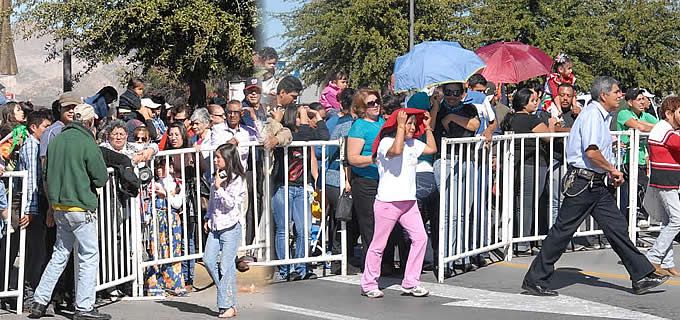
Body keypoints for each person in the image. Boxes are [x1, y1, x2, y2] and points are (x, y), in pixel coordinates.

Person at [521, 76, 669, 297]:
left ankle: (641, 275)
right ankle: (535, 279)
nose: (620, 96)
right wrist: (613, 169)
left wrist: (608, 171)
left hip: (595, 184)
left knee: (617, 228)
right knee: (562, 232)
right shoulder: (592, 116)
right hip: (584, 183)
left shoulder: (601, 116)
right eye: (617, 92)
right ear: (603, 95)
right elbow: (591, 152)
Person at [29, 103, 111, 319]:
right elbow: (101, 176)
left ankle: (39, 301)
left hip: (59, 206)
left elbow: (46, 173)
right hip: (80, 205)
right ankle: (84, 307)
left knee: (60, 254)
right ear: (90, 121)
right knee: (88, 255)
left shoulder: (55, 140)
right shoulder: (86, 141)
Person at [360, 108, 437, 298]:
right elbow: (396, 151)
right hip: (388, 201)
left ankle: (411, 282)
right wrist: (401, 126)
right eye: (409, 123)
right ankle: (369, 284)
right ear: (398, 124)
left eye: (413, 124)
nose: (412, 127)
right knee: (379, 244)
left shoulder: (413, 143)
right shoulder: (386, 143)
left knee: (420, 239)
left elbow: (432, 149)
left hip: (408, 202)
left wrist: (427, 129)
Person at [272, 104, 328, 281]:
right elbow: (301, 135)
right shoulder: (286, 133)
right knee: (283, 229)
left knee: (303, 228)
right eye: (298, 116)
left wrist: (317, 116)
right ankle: (285, 269)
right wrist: (304, 115)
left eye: (302, 116)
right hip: (283, 186)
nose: (302, 119)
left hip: (302, 186)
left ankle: (302, 266)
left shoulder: (306, 133)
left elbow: (324, 137)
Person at [501, 88, 556, 253]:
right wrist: (552, 124)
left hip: (515, 163)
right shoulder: (531, 120)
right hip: (531, 163)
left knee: (518, 203)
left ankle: (518, 239)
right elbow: (549, 137)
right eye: (532, 100)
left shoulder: (509, 119)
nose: (536, 103)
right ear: (524, 103)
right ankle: (523, 242)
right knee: (527, 204)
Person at [203, 143, 247, 318]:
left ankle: (227, 305)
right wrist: (208, 217)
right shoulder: (217, 178)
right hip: (216, 225)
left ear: (227, 159)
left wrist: (220, 187)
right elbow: (213, 202)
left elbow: (230, 204)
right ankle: (225, 292)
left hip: (230, 226)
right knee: (208, 259)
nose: (215, 160)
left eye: (218, 157)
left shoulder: (238, 179)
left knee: (226, 265)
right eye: (215, 157)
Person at [346, 89, 386, 271]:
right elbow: (352, 158)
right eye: (371, 103)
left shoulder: (382, 122)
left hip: (384, 181)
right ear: (362, 107)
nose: (376, 105)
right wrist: (373, 159)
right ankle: (370, 268)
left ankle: (383, 264)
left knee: (384, 225)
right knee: (369, 226)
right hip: (365, 182)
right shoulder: (359, 126)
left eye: (377, 101)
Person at [16, 110, 52, 308]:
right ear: (33, 127)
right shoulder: (31, 146)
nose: (47, 131)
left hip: (38, 203)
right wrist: (31, 209)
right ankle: (29, 294)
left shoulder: (38, 144)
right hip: (34, 204)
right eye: (45, 127)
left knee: (40, 251)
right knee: (36, 252)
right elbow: (31, 179)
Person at [645, 96, 680, 277]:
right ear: (669, 113)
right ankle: (654, 256)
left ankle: (666, 262)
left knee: (669, 222)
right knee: (677, 220)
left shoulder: (669, 129)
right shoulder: (663, 129)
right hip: (665, 179)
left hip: (669, 179)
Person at [617, 88, 658, 222]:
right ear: (629, 102)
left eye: (643, 99)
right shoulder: (623, 113)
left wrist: (644, 124)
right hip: (625, 161)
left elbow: (661, 126)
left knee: (633, 194)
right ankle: (640, 217)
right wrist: (644, 126)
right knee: (639, 188)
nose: (642, 102)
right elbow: (639, 127)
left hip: (639, 160)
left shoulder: (645, 116)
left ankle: (634, 230)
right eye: (638, 100)